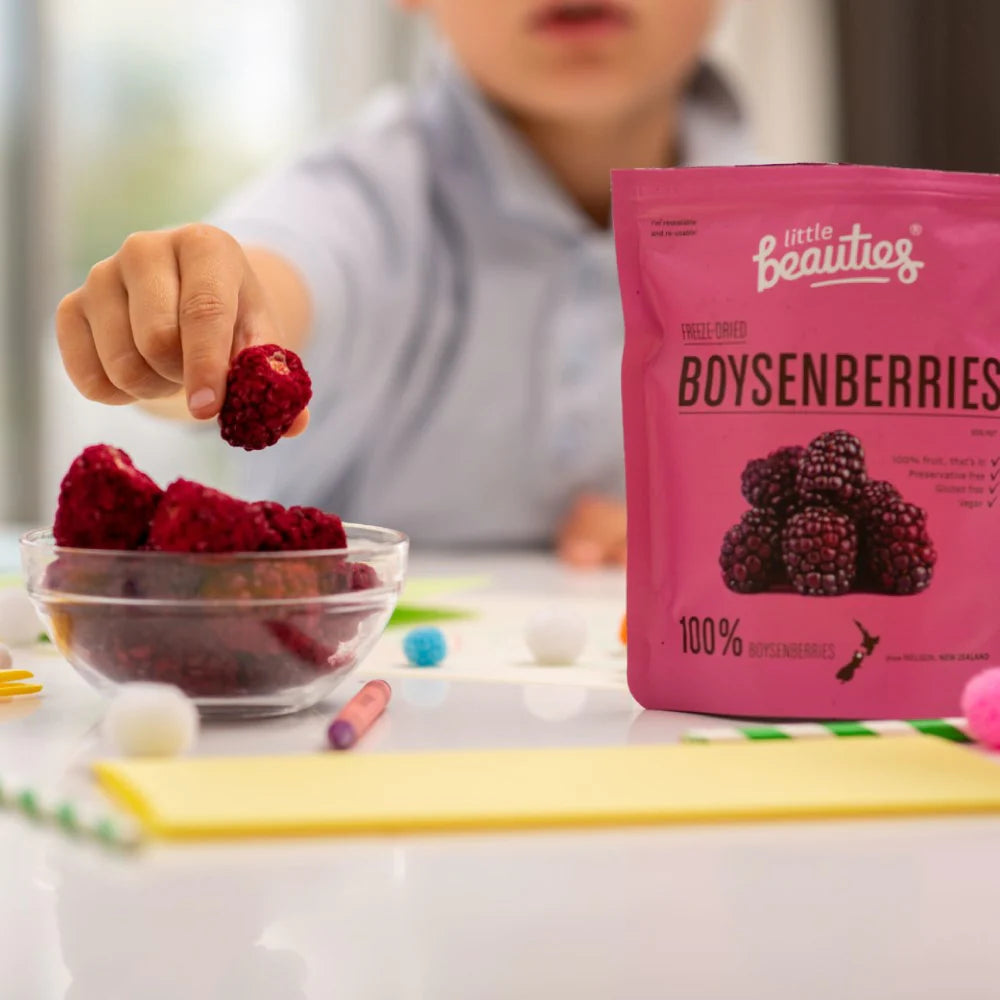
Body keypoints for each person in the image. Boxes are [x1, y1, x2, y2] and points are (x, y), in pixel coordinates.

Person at [54, 0, 752, 566]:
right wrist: (193, 325)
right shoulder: (359, 196)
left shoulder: (820, 243)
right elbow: (274, 277)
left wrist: (718, 525)